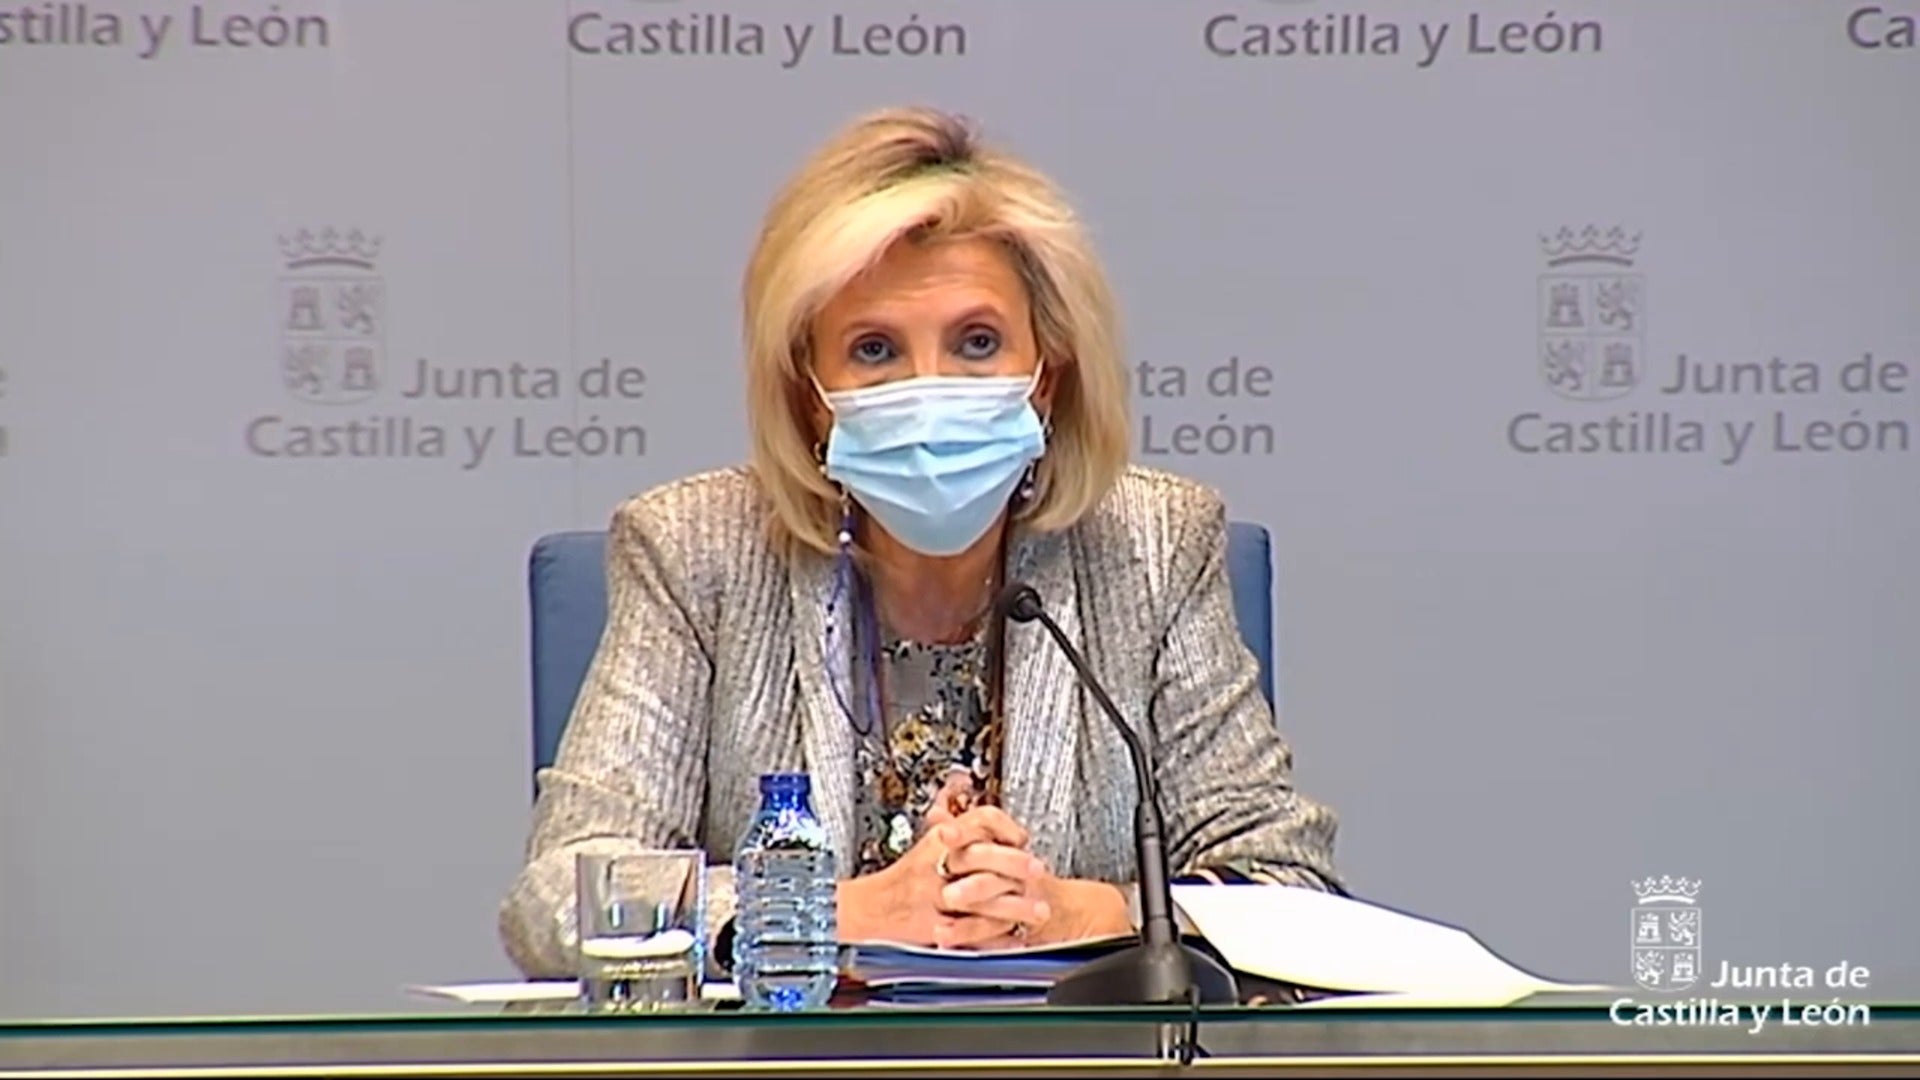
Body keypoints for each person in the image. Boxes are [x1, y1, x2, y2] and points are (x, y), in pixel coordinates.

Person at [499, 105, 1340, 978]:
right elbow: (563, 897)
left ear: (1046, 376)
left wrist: (1074, 913)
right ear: (810, 396)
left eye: (977, 342)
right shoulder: (695, 551)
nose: (930, 388)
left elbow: (1288, 887)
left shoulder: (1156, 546)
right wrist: (840, 912)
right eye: (874, 350)